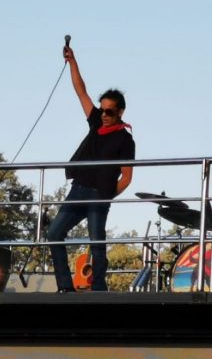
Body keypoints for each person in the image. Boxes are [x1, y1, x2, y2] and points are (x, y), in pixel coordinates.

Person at [46, 45, 135, 292]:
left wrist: (107, 195)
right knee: (54, 233)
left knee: (96, 241)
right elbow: (80, 91)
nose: (104, 114)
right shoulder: (96, 121)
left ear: (120, 111)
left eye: (109, 111)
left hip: (99, 194)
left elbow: (127, 177)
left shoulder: (125, 139)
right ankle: (65, 286)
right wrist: (73, 61)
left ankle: (98, 289)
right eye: (102, 109)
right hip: (78, 189)